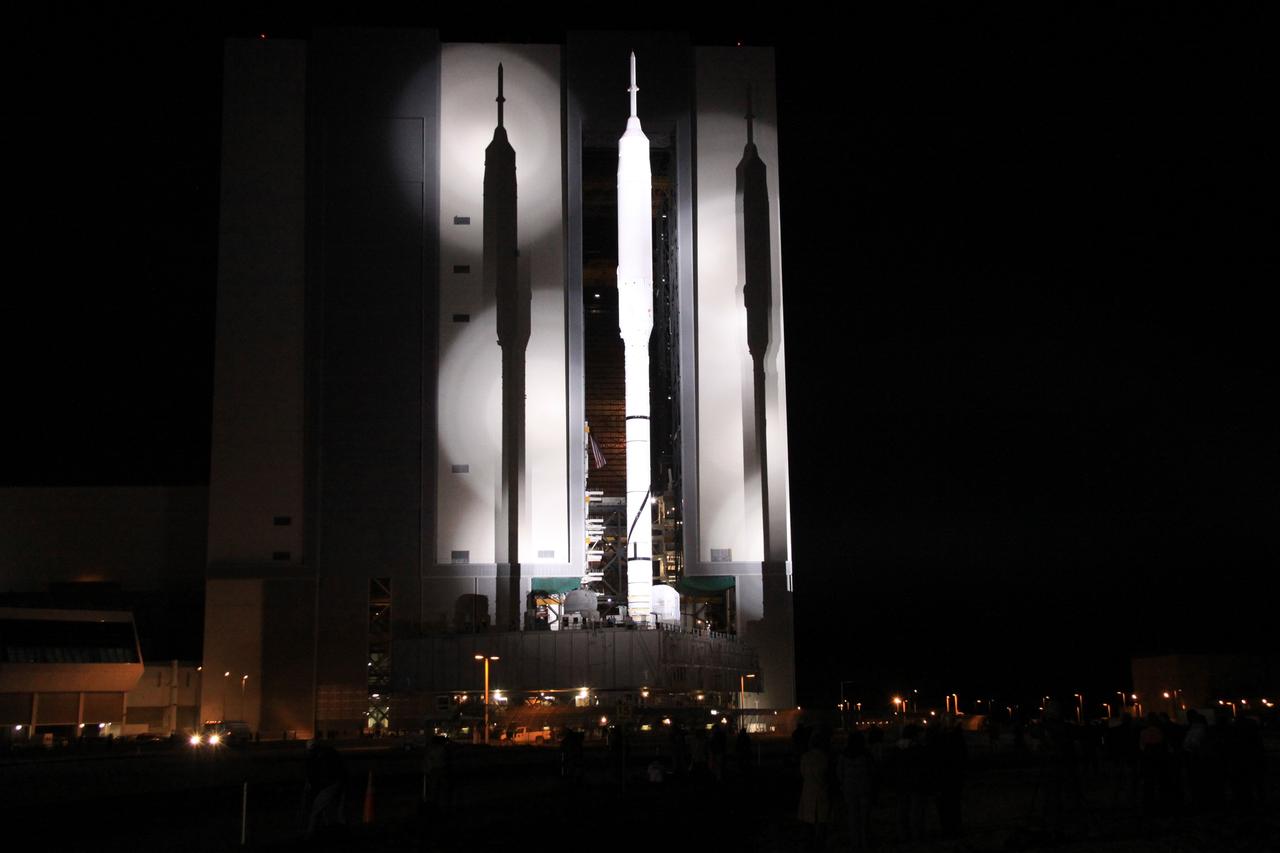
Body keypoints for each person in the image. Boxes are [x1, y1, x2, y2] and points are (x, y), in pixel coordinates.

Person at [837, 730, 874, 850]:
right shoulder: (866, 754)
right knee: (865, 818)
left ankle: (855, 842)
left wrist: (843, 783)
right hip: (864, 788)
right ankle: (865, 841)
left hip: (849, 789)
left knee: (853, 817)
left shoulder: (844, 755)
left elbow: (839, 772)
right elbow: (872, 772)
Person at [303, 739, 347, 839]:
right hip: (335, 782)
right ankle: (330, 829)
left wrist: (312, 785)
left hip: (331, 784)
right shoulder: (326, 754)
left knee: (316, 810)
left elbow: (321, 776)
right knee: (330, 809)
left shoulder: (320, 757)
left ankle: (310, 833)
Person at [797, 728, 831, 849]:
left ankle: (810, 844)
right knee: (821, 823)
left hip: (808, 792)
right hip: (821, 792)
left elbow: (803, 773)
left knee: (809, 822)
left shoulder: (805, 757)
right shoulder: (825, 758)